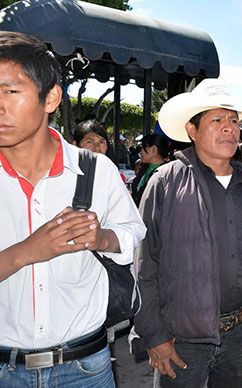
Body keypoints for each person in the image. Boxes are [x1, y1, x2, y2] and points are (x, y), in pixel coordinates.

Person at [0, 31, 146, 387]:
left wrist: (102, 237)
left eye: (9, 91)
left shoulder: (95, 170)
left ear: (51, 98)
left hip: (86, 368)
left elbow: (134, 234)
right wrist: (24, 253)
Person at [134, 79, 242, 388]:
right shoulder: (166, 182)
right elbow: (144, 264)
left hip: (240, 333)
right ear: (192, 130)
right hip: (180, 339)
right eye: (217, 120)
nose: (229, 127)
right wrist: (154, 335)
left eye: (233, 120)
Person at [131, 133, 170, 206]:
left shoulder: (166, 173)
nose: (140, 152)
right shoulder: (143, 168)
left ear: (154, 149)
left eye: (143, 148)